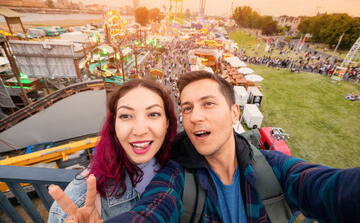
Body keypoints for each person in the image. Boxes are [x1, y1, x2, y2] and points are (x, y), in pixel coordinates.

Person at [50, 71, 360, 223]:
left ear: (235, 113)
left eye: (208, 104)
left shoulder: (273, 168)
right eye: (187, 108)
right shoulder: (177, 176)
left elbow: (327, 188)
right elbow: (153, 211)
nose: (196, 116)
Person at [47, 78, 177, 222]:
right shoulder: (78, 202)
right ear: (114, 125)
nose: (140, 131)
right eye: (126, 116)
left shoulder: (182, 165)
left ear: (167, 123)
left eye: (153, 114)